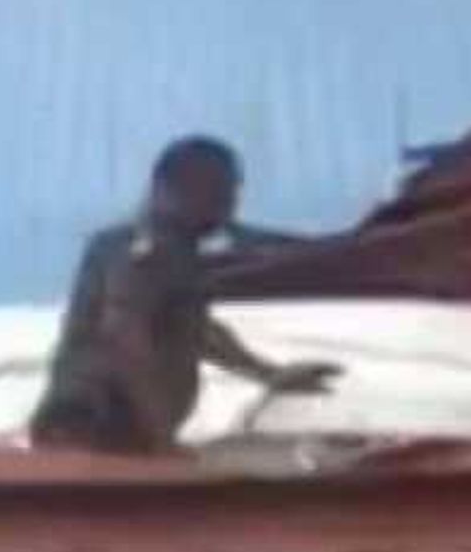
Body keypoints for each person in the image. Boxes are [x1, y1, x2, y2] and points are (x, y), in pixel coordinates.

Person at [31, 135, 340, 454]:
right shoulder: (144, 252)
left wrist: (269, 374)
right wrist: (160, 439)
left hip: (125, 435)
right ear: (174, 191)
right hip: (95, 431)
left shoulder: (178, 253)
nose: (229, 206)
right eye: (220, 193)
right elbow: (125, 338)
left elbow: (195, 329)